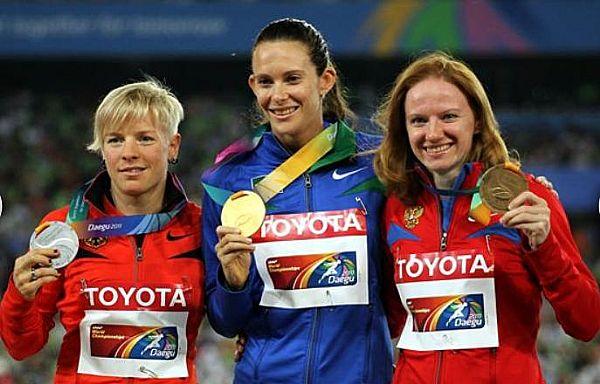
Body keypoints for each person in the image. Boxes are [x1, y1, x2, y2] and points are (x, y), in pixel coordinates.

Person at [374, 51, 600, 383]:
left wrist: (545, 246)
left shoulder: (527, 198)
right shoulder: (395, 206)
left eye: (449, 116)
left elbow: (587, 322)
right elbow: (389, 318)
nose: (433, 133)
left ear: (477, 120)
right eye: (418, 120)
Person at [201, 18, 396, 383]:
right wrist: (235, 282)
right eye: (265, 82)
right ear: (253, 85)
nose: (278, 95)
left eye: (292, 78)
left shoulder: (378, 166)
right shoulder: (225, 181)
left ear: (325, 80)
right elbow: (225, 322)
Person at [0, 79, 204, 383]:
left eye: (145, 138)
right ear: (102, 149)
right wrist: (19, 296)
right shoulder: (65, 230)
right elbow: (21, 346)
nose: (129, 152)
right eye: (115, 140)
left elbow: (232, 318)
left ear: (172, 145)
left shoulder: (200, 229)